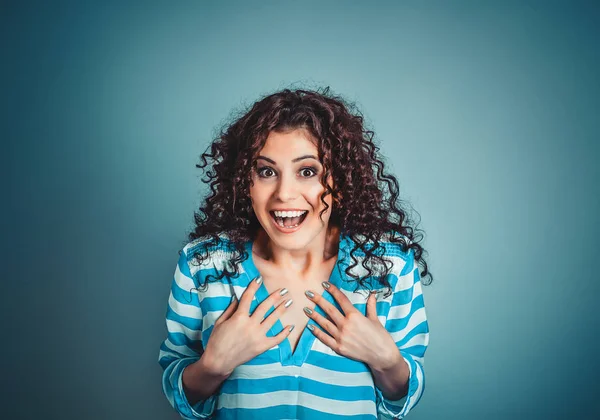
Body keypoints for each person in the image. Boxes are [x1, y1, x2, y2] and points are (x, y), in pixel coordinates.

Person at [158, 87, 432, 419]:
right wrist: (213, 366)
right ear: (245, 182)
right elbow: (180, 389)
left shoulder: (388, 266)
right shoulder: (202, 266)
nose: (284, 194)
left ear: (341, 183)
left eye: (307, 171)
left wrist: (387, 361)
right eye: (266, 171)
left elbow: (401, 398)